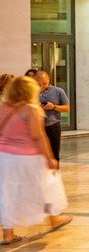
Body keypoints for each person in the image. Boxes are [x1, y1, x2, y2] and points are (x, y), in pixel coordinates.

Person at [0, 76, 73, 245]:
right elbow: (38, 136)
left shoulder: (4, 107)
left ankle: (7, 233)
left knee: (8, 192)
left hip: (4, 157)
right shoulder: (31, 109)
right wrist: (50, 158)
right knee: (46, 186)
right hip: (28, 157)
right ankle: (54, 219)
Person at [34, 71, 69, 161]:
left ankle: (54, 168)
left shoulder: (58, 91)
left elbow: (67, 108)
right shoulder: (31, 92)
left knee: (54, 154)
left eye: (44, 83)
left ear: (49, 79)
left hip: (52, 126)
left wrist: (54, 106)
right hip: (36, 127)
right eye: (38, 84)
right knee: (37, 155)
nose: (42, 86)